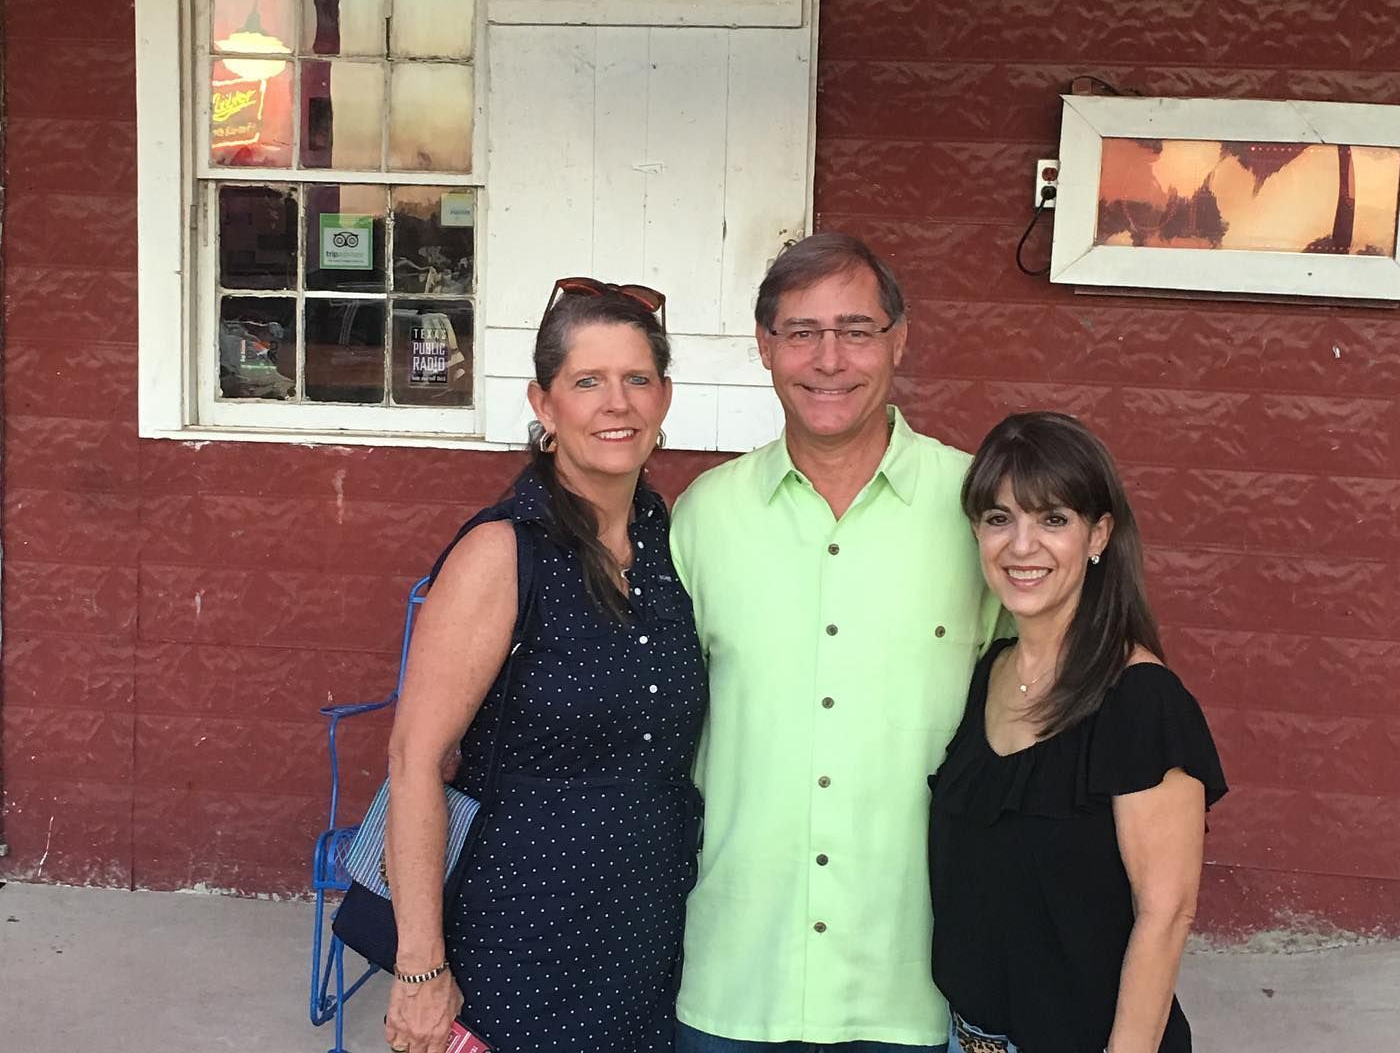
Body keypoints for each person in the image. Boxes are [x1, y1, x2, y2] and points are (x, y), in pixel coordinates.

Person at [670, 233, 1007, 1053]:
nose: (829, 359)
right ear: (763, 347)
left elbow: (1051, 690)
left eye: (857, 330)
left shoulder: (981, 512)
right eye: (801, 332)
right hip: (735, 974)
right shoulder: (703, 517)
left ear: (900, 339)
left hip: (915, 980)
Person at [381, 278, 707, 1053]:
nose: (615, 404)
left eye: (636, 379)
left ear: (664, 397)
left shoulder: (672, 540)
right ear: (544, 402)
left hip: (649, 931)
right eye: (587, 381)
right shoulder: (504, 552)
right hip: (520, 935)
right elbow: (413, 760)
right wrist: (421, 968)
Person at [929, 412, 1227, 1053]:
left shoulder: (1142, 700)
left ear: (1099, 534)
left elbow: (1167, 913)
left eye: (1053, 520)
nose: (1021, 546)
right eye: (998, 518)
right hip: (968, 1039)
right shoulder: (990, 673)